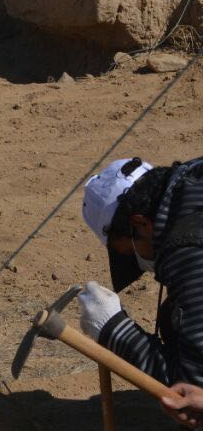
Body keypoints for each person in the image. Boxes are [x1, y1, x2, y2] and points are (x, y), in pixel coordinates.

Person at [78, 156, 203, 394]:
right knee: (172, 318)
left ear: (141, 224)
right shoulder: (191, 181)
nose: (135, 262)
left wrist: (114, 330)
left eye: (124, 252)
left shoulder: (189, 249)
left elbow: (191, 391)